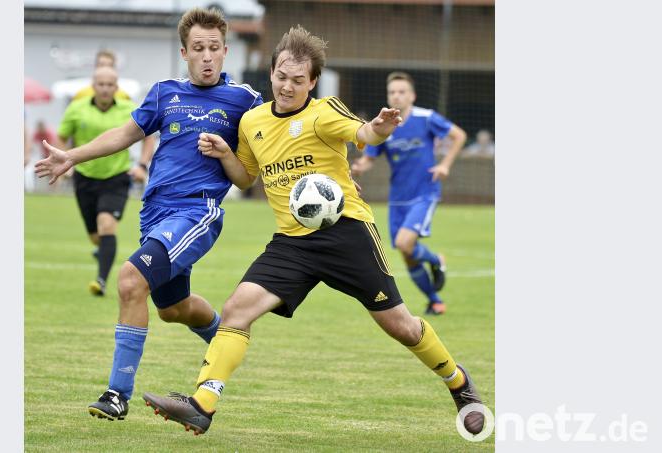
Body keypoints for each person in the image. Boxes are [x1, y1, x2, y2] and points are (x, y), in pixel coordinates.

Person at [142, 25, 484, 437]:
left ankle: (458, 382)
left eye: (298, 80)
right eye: (282, 77)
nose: (288, 87)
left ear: (313, 82)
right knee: (236, 310)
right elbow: (247, 178)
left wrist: (381, 127)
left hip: (347, 234)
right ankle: (202, 405)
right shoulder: (252, 122)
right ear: (271, 73)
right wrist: (226, 153)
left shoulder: (324, 112)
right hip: (292, 243)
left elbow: (363, 133)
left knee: (401, 326)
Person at [35, 7, 263, 422]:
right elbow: (124, 134)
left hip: (197, 211)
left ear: (226, 51)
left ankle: (116, 394)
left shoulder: (245, 101)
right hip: (154, 215)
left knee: (129, 280)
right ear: (184, 53)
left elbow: (249, 176)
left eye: (214, 48)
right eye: (199, 48)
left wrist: (228, 153)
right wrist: (70, 155)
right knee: (172, 309)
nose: (207, 56)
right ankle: (225, 336)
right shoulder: (164, 93)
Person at [351, 71, 467, 315]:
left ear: (412, 95)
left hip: (425, 193)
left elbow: (459, 136)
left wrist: (445, 164)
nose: (397, 96)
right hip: (398, 199)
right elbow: (370, 157)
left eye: (402, 91)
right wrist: (360, 167)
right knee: (408, 255)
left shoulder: (426, 118)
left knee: (405, 243)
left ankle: (436, 261)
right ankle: (435, 300)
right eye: (392, 92)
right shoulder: (384, 126)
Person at [55, 66, 152, 297]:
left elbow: (148, 137)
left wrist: (141, 165)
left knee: (106, 224)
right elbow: (61, 137)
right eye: (101, 84)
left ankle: (101, 280)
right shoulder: (76, 109)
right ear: (93, 86)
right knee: (95, 235)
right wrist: (65, 162)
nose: (106, 89)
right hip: (85, 177)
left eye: (110, 85)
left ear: (116, 87)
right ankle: (102, 249)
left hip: (116, 177)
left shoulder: (129, 109)